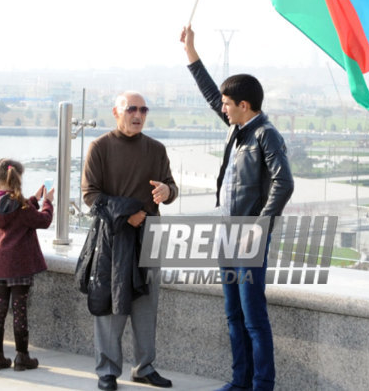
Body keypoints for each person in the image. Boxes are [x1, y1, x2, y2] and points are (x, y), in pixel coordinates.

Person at [180, 25, 294, 391]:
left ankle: (262, 384)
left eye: (229, 105)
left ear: (244, 105)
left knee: (253, 318)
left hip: (248, 239)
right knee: (232, 315)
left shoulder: (265, 134)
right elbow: (214, 94)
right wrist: (191, 53)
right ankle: (239, 381)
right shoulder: (238, 129)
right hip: (225, 235)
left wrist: (261, 226)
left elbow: (284, 182)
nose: (222, 109)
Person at [81, 91, 178, 391]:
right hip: (113, 238)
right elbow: (90, 196)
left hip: (150, 234)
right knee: (111, 307)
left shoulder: (157, 149)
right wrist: (128, 214)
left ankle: (144, 367)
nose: (138, 115)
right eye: (131, 109)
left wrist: (167, 191)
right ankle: (107, 371)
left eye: (143, 110)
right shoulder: (100, 147)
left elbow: (172, 187)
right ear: (116, 112)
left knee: (147, 307)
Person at [0, 158, 54, 373]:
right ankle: (22, 356)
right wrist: (47, 202)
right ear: (18, 178)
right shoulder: (22, 206)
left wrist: (33, 198)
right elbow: (42, 220)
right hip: (20, 264)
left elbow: (16, 214)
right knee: (19, 310)